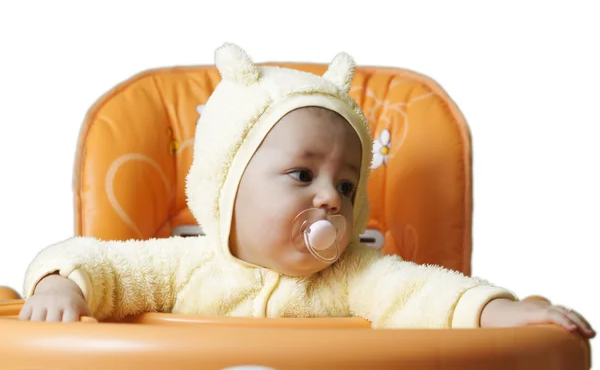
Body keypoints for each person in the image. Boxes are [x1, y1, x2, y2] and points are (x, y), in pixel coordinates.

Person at [18, 43, 595, 338]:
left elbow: (428, 294)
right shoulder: (180, 266)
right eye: (302, 175)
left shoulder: (355, 277)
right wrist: (59, 286)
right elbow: (101, 263)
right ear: (229, 188)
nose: (330, 199)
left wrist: (500, 311)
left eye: (347, 186)